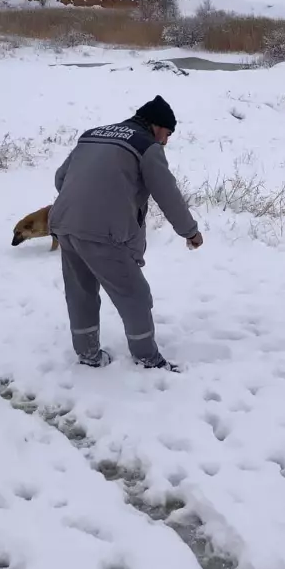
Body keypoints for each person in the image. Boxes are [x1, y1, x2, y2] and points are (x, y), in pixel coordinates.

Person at [49, 95, 203, 372]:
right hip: (104, 234)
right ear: (156, 126)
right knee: (135, 296)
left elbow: (61, 179)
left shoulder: (92, 135)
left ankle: (88, 354)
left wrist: (84, 205)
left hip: (64, 224)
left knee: (81, 292)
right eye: (167, 133)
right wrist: (189, 231)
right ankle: (147, 358)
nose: (166, 141)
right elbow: (167, 195)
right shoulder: (147, 147)